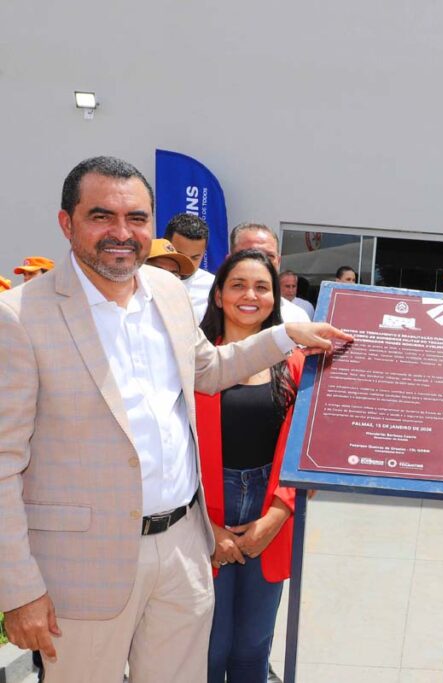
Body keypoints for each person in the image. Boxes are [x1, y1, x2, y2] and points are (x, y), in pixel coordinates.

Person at [0, 156, 350, 683]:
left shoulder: (166, 293)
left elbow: (209, 370)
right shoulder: (22, 317)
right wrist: (20, 588)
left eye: (137, 218)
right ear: (66, 223)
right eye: (102, 216)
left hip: (183, 550)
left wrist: (285, 338)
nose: (122, 233)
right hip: (82, 566)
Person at [196, 250, 303, 681]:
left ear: (274, 299)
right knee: (210, 648)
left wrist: (276, 515)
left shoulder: (295, 363)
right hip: (204, 512)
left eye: (262, 287)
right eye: (238, 284)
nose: (250, 295)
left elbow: (302, 454)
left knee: (252, 649)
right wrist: (208, 527)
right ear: (218, 295)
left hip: (270, 510)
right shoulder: (196, 361)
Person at [229, 222, 311, 323]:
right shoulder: (205, 309)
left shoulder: (296, 318)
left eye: (269, 257)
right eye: (248, 255)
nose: (259, 263)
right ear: (229, 260)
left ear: (278, 262)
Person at [164, 212, 216, 319]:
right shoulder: (142, 278)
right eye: (180, 255)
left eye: (195, 257)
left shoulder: (214, 288)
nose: (187, 263)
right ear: (165, 245)